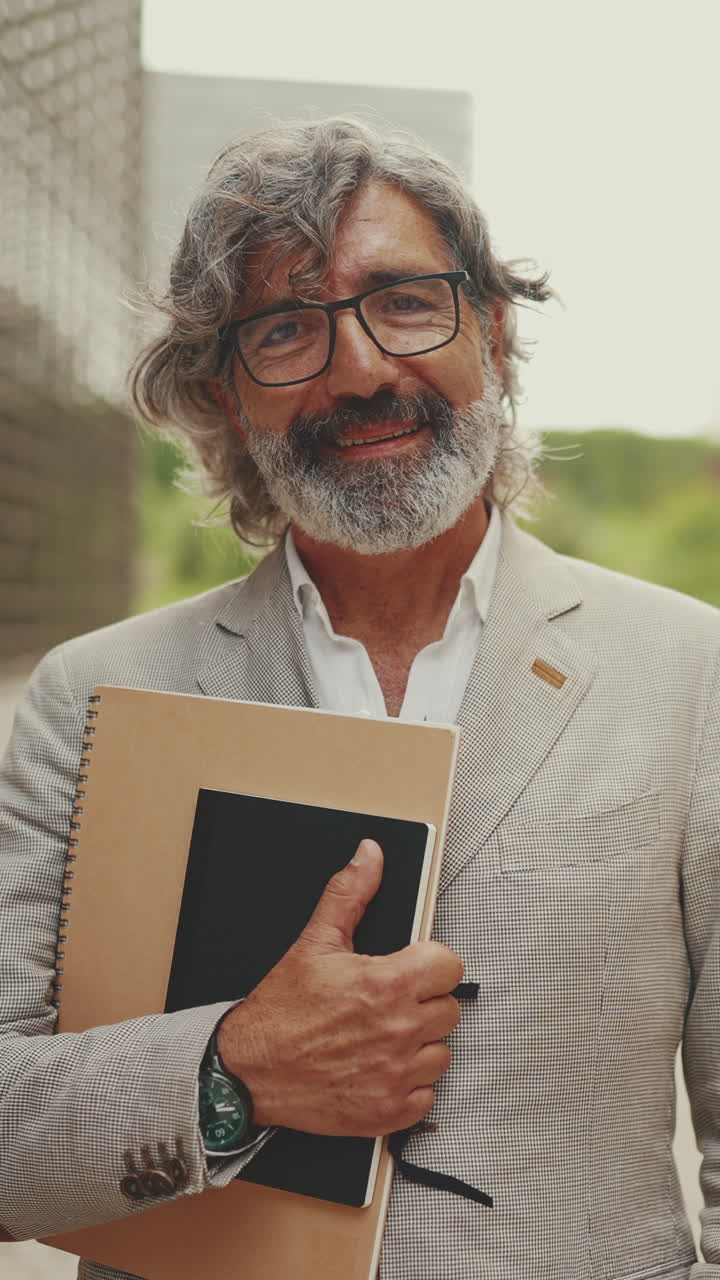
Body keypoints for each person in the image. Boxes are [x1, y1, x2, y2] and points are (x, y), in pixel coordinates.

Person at [0, 116, 718, 1280]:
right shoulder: (92, 695)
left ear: (489, 328)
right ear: (229, 394)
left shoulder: (695, 675)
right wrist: (233, 1069)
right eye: (285, 328)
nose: (362, 369)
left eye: (405, 300)